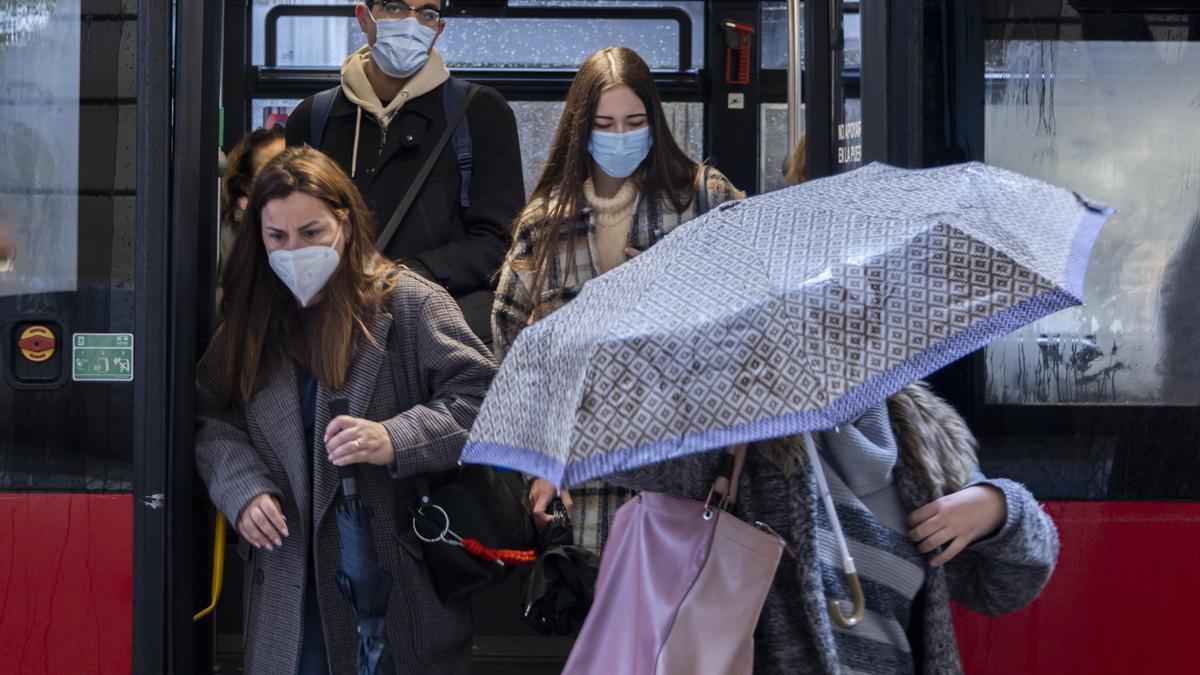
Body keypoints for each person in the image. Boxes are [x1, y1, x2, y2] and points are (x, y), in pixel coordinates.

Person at [195, 147, 495, 674]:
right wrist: (241, 487)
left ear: (346, 225)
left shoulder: (410, 304)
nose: (294, 250)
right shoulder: (249, 322)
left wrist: (396, 438)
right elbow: (210, 416)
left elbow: (482, 400)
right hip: (288, 597)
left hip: (396, 592)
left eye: (311, 233)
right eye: (277, 237)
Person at [608, 385, 1060, 674]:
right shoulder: (747, 420)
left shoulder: (926, 439)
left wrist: (1000, 509)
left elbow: (1003, 589)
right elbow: (624, 454)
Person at [491, 46, 746, 552]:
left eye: (634, 121)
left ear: (655, 120)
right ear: (580, 128)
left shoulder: (700, 199)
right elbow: (511, 355)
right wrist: (536, 468)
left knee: (686, 622)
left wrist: (733, 461)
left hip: (688, 465)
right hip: (582, 482)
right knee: (602, 619)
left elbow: (750, 326)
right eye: (604, 124)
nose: (620, 136)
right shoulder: (546, 223)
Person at [284, 0, 524, 345]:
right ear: (364, 16)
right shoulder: (314, 118)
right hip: (336, 330)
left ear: (438, 30)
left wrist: (406, 275)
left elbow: (501, 240)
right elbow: (292, 231)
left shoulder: (480, 113)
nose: (412, 23)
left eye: (426, 12)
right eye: (395, 7)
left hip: (439, 333)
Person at [220, 127, 285, 274]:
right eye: (272, 171)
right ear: (246, 183)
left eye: (292, 165)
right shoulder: (224, 234)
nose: (287, 177)